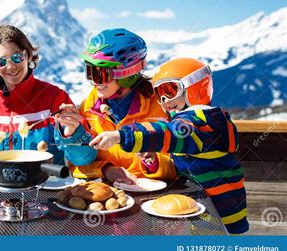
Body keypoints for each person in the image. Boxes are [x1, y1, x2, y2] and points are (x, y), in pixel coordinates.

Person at [91, 57, 249, 234]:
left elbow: (168, 133)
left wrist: (121, 135)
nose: (164, 99)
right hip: (213, 209)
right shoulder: (203, 121)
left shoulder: (201, 122)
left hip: (218, 216)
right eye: (159, 93)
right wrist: (152, 159)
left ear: (195, 87)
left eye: (170, 89)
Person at [72, 28, 177, 185]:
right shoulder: (88, 108)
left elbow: (180, 166)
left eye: (100, 73)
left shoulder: (162, 106)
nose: (94, 81)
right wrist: (106, 170)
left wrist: (152, 161)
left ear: (127, 74)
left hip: (153, 197)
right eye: (90, 72)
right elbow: (76, 164)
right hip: (108, 197)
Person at [0, 25, 96, 166]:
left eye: (17, 57)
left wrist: (73, 133)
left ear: (28, 55)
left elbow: (84, 159)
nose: (10, 66)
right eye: (1, 61)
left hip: (47, 184)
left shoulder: (55, 98)